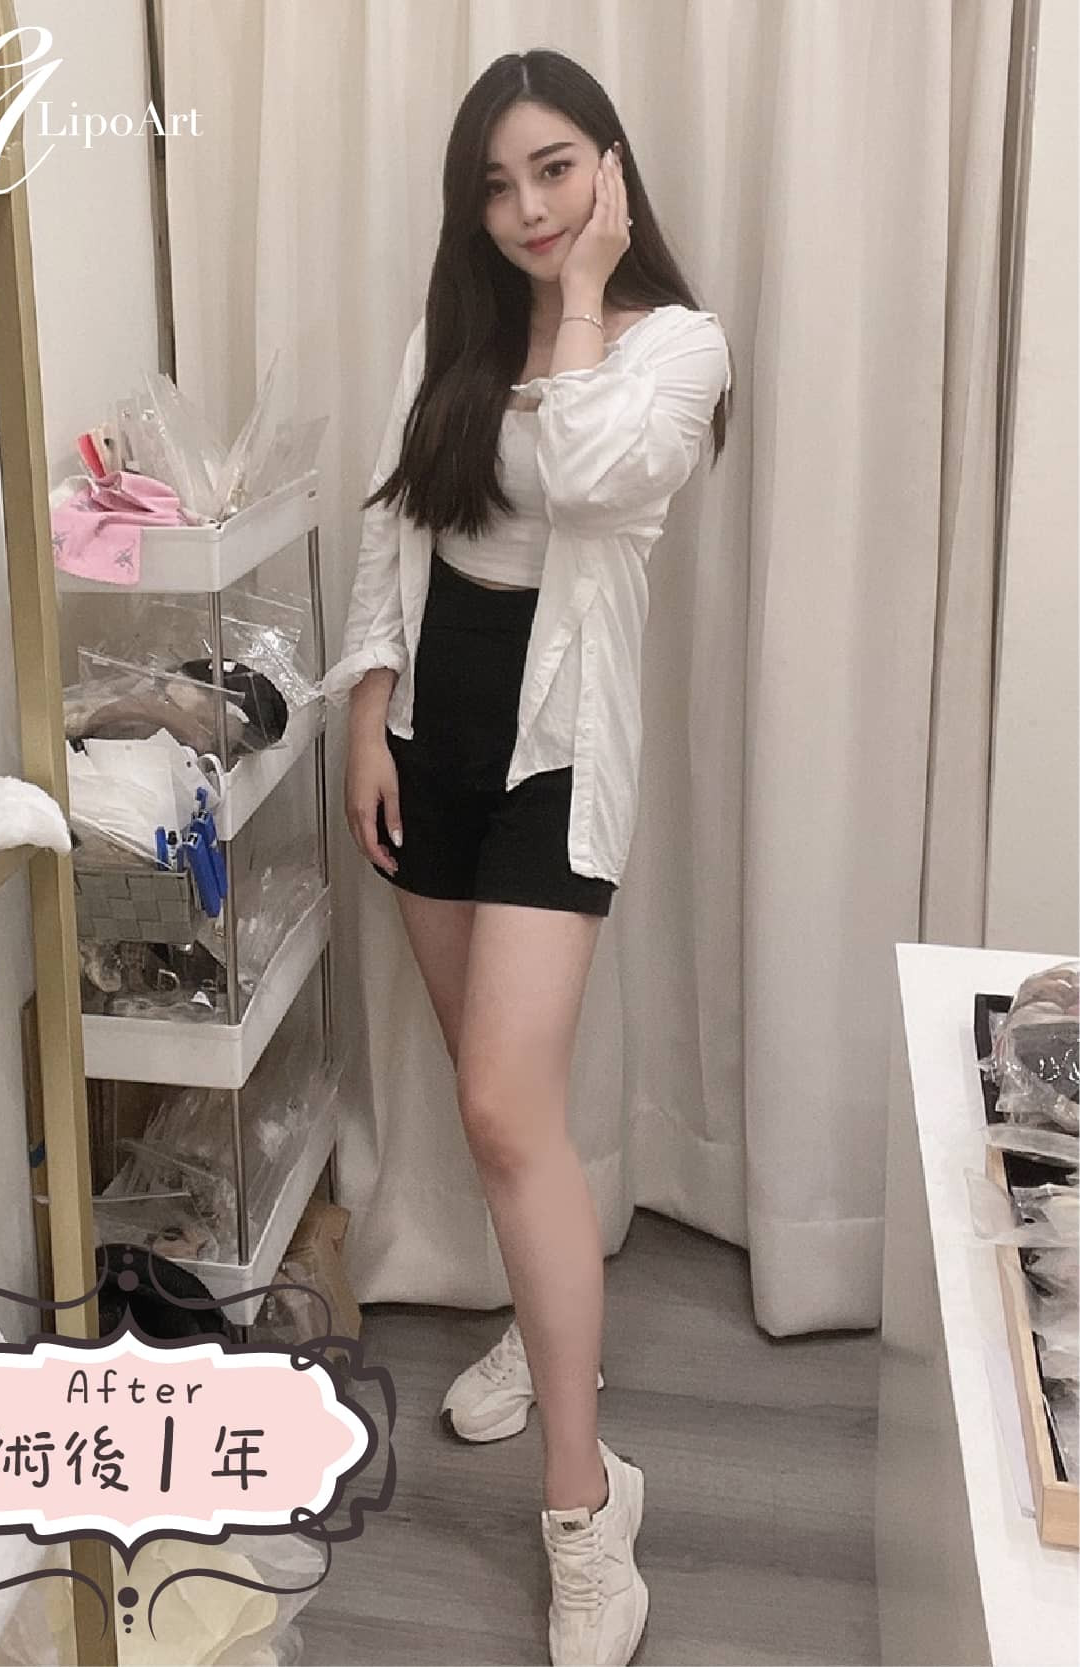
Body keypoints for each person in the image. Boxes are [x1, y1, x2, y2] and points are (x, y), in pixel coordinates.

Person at [319, 47, 731, 1667]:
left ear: (610, 168)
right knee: (499, 1112)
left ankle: (586, 1500)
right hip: (436, 736)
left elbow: (589, 477)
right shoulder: (455, 330)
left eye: (555, 169)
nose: (527, 208)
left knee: (503, 1107)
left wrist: (570, 307)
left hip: (560, 762)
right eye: (496, 186)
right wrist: (367, 717)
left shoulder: (675, 345)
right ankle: (547, 1328)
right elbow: (393, 522)